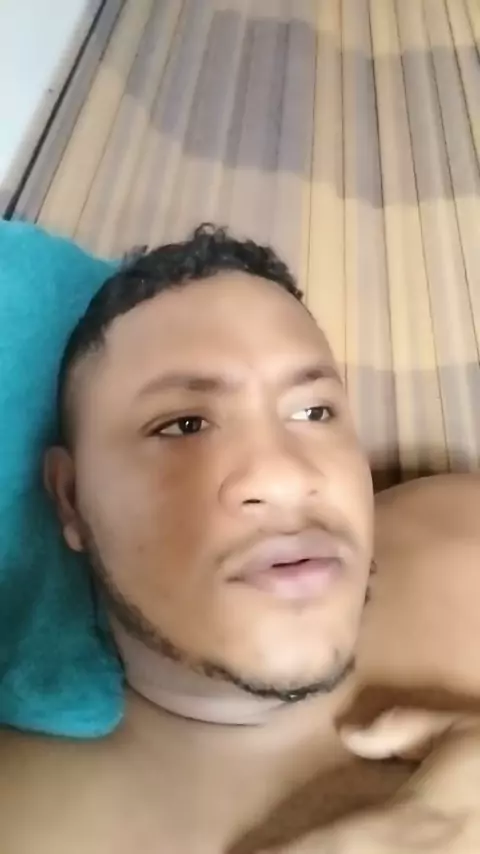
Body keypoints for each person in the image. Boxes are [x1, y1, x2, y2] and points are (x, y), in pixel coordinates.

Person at [1, 225, 479, 853]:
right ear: (70, 497)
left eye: (314, 412)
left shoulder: (460, 531)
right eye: (184, 425)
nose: (286, 477)